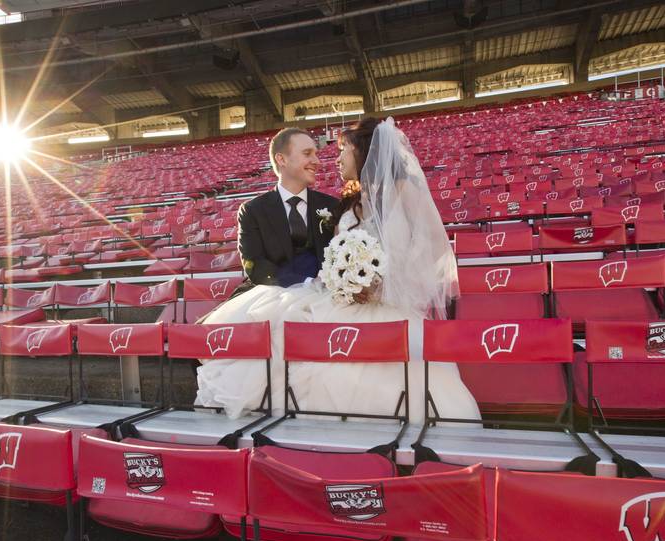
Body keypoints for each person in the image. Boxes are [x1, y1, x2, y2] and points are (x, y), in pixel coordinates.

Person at [196, 117, 480, 425]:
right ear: (282, 159)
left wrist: (382, 282)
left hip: (381, 301)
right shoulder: (350, 202)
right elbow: (262, 264)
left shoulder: (390, 193)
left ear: (362, 151)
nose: (329, 158)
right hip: (337, 294)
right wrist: (342, 278)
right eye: (308, 154)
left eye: (341, 149)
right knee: (287, 327)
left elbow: (433, 249)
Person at [236, 127, 338, 290]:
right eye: (307, 153)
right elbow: (254, 264)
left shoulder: (333, 206)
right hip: (274, 294)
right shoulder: (252, 211)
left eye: (316, 154)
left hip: (328, 295)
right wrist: (307, 284)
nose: (317, 161)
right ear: (281, 159)